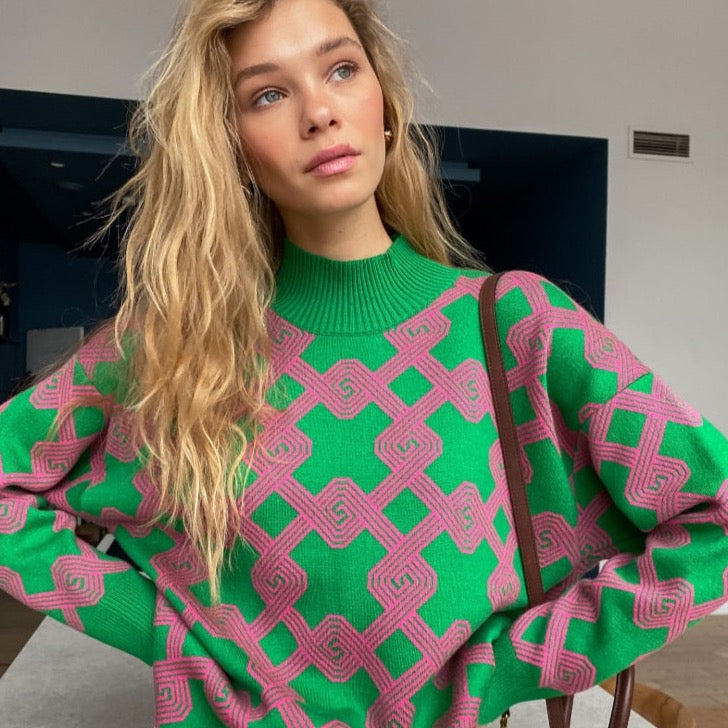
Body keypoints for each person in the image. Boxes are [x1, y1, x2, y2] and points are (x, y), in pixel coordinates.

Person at [1, 0, 727, 726]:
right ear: (231, 144)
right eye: (268, 94)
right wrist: (159, 632)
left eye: (342, 69)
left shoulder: (516, 327)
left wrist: (509, 668)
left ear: (384, 102)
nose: (319, 112)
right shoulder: (171, 348)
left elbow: (714, 516)